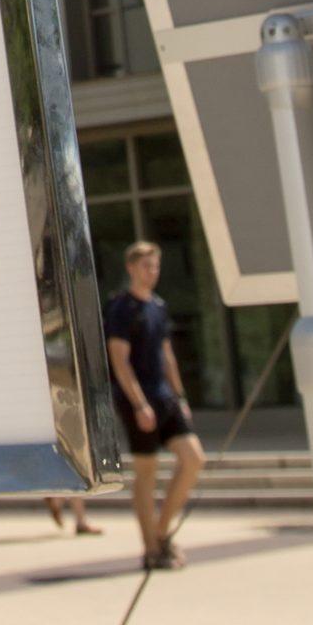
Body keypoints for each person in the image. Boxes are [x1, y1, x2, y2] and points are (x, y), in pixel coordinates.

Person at [104, 241, 204, 570]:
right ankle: (150, 548)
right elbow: (120, 360)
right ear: (132, 267)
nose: (153, 272)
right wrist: (138, 403)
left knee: (193, 459)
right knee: (146, 473)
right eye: (147, 266)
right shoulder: (121, 308)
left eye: (156, 266)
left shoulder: (159, 307)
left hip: (165, 397)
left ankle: (162, 532)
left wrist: (181, 396)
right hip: (138, 399)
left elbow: (167, 355)